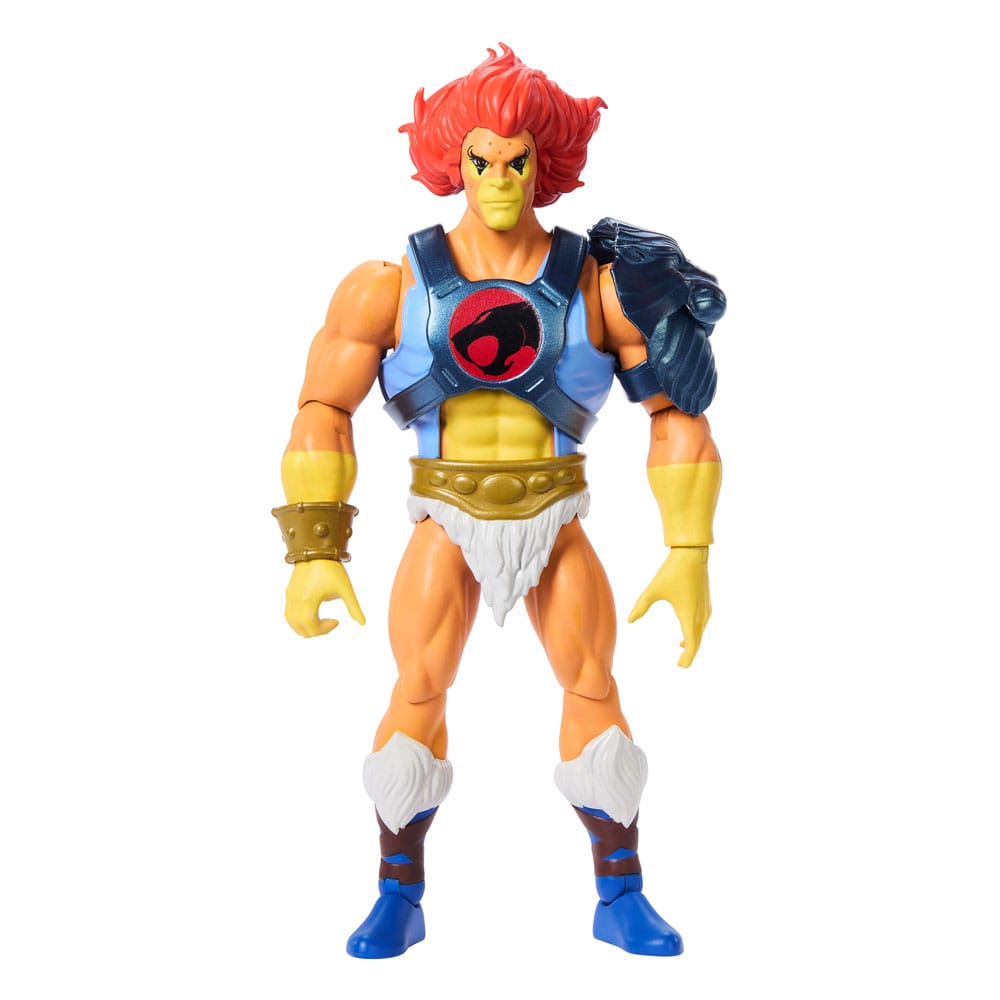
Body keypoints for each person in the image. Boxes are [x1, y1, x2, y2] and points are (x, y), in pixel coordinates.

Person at [273, 44, 725, 959]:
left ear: (544, 164)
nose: (500, 180)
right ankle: (398, 895)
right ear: (455, 159)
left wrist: (689, 552)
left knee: (593, 687)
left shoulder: (597, 287)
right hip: (442, 516)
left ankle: (620, 894)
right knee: (418, 689)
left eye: (518, 162)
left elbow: (676, 416)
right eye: (482, 160)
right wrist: (315, 550)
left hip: (556, 519)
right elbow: (322, 408)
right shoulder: (390, 286)